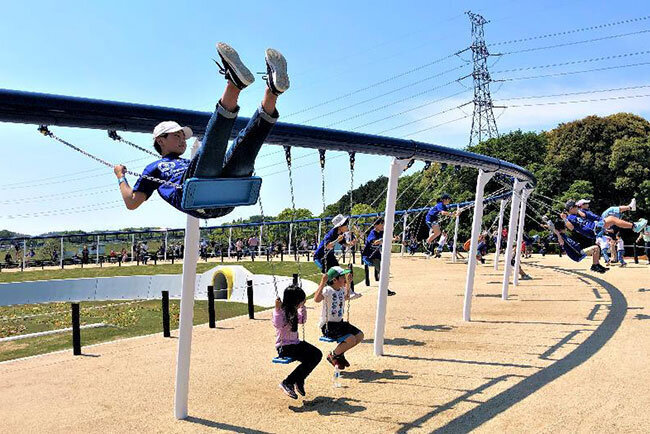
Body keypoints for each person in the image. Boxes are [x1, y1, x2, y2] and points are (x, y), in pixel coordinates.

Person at [114, 42, 289, 219]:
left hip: (226, 198)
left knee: (245, 146)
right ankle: (234, 83)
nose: (183, 140)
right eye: (177, 136)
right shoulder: (154, 168)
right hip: (197, 197)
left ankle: (273, 90)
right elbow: (132, 202)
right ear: (160, 140)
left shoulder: (185, 162)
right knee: (212, 147)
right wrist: (120, 175)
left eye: (183, 136)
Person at [273, 284, 322, 400]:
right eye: (301, 300)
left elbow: (302, 320)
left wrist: (302, 307)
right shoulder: (281, 311)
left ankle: (299, 379)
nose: (302, 302)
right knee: (310, 358)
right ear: (295, 300)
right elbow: (278, 324)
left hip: (295, 344)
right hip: (284, 347)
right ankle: (287, 382)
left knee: (317, 354)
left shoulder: (294, 311)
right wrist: (277, 309)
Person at [314, 267, 364, 370]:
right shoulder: (327, 290)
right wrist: (323, 282)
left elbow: (346, 296)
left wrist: (349, 283)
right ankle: (333, 355)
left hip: (339, 323)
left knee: (359, 336)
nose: (344, 279)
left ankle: (339, 353)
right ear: (334, 280)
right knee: (350, 339)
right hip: (329, 326)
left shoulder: (341, 290)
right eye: (342, 277)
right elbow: (316, 299)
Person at [562, 200, 646, 243]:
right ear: (571, 208)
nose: (577, 207)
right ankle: (634, 226)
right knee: (612, 218)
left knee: (612, 217)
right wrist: (564, 218)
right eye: (575, 206)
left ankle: (634, 225)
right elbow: (571, 228)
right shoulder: (570, 218)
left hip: (595, 226)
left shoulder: (577, 213)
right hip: (593, 230)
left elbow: (584, 216)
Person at [361, 218, 397, 296]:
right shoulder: (372, 233)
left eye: (383, 224)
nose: (383, 226)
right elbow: (375, 242)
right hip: (369, 256)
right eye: (381, 224)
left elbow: (388, 239)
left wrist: (395, 239)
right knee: (382, 271)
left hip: (377, 255)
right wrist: (383, 239)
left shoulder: (382, 232)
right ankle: (384, 290)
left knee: (384, 270)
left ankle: (384, 288)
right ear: (375, 225)